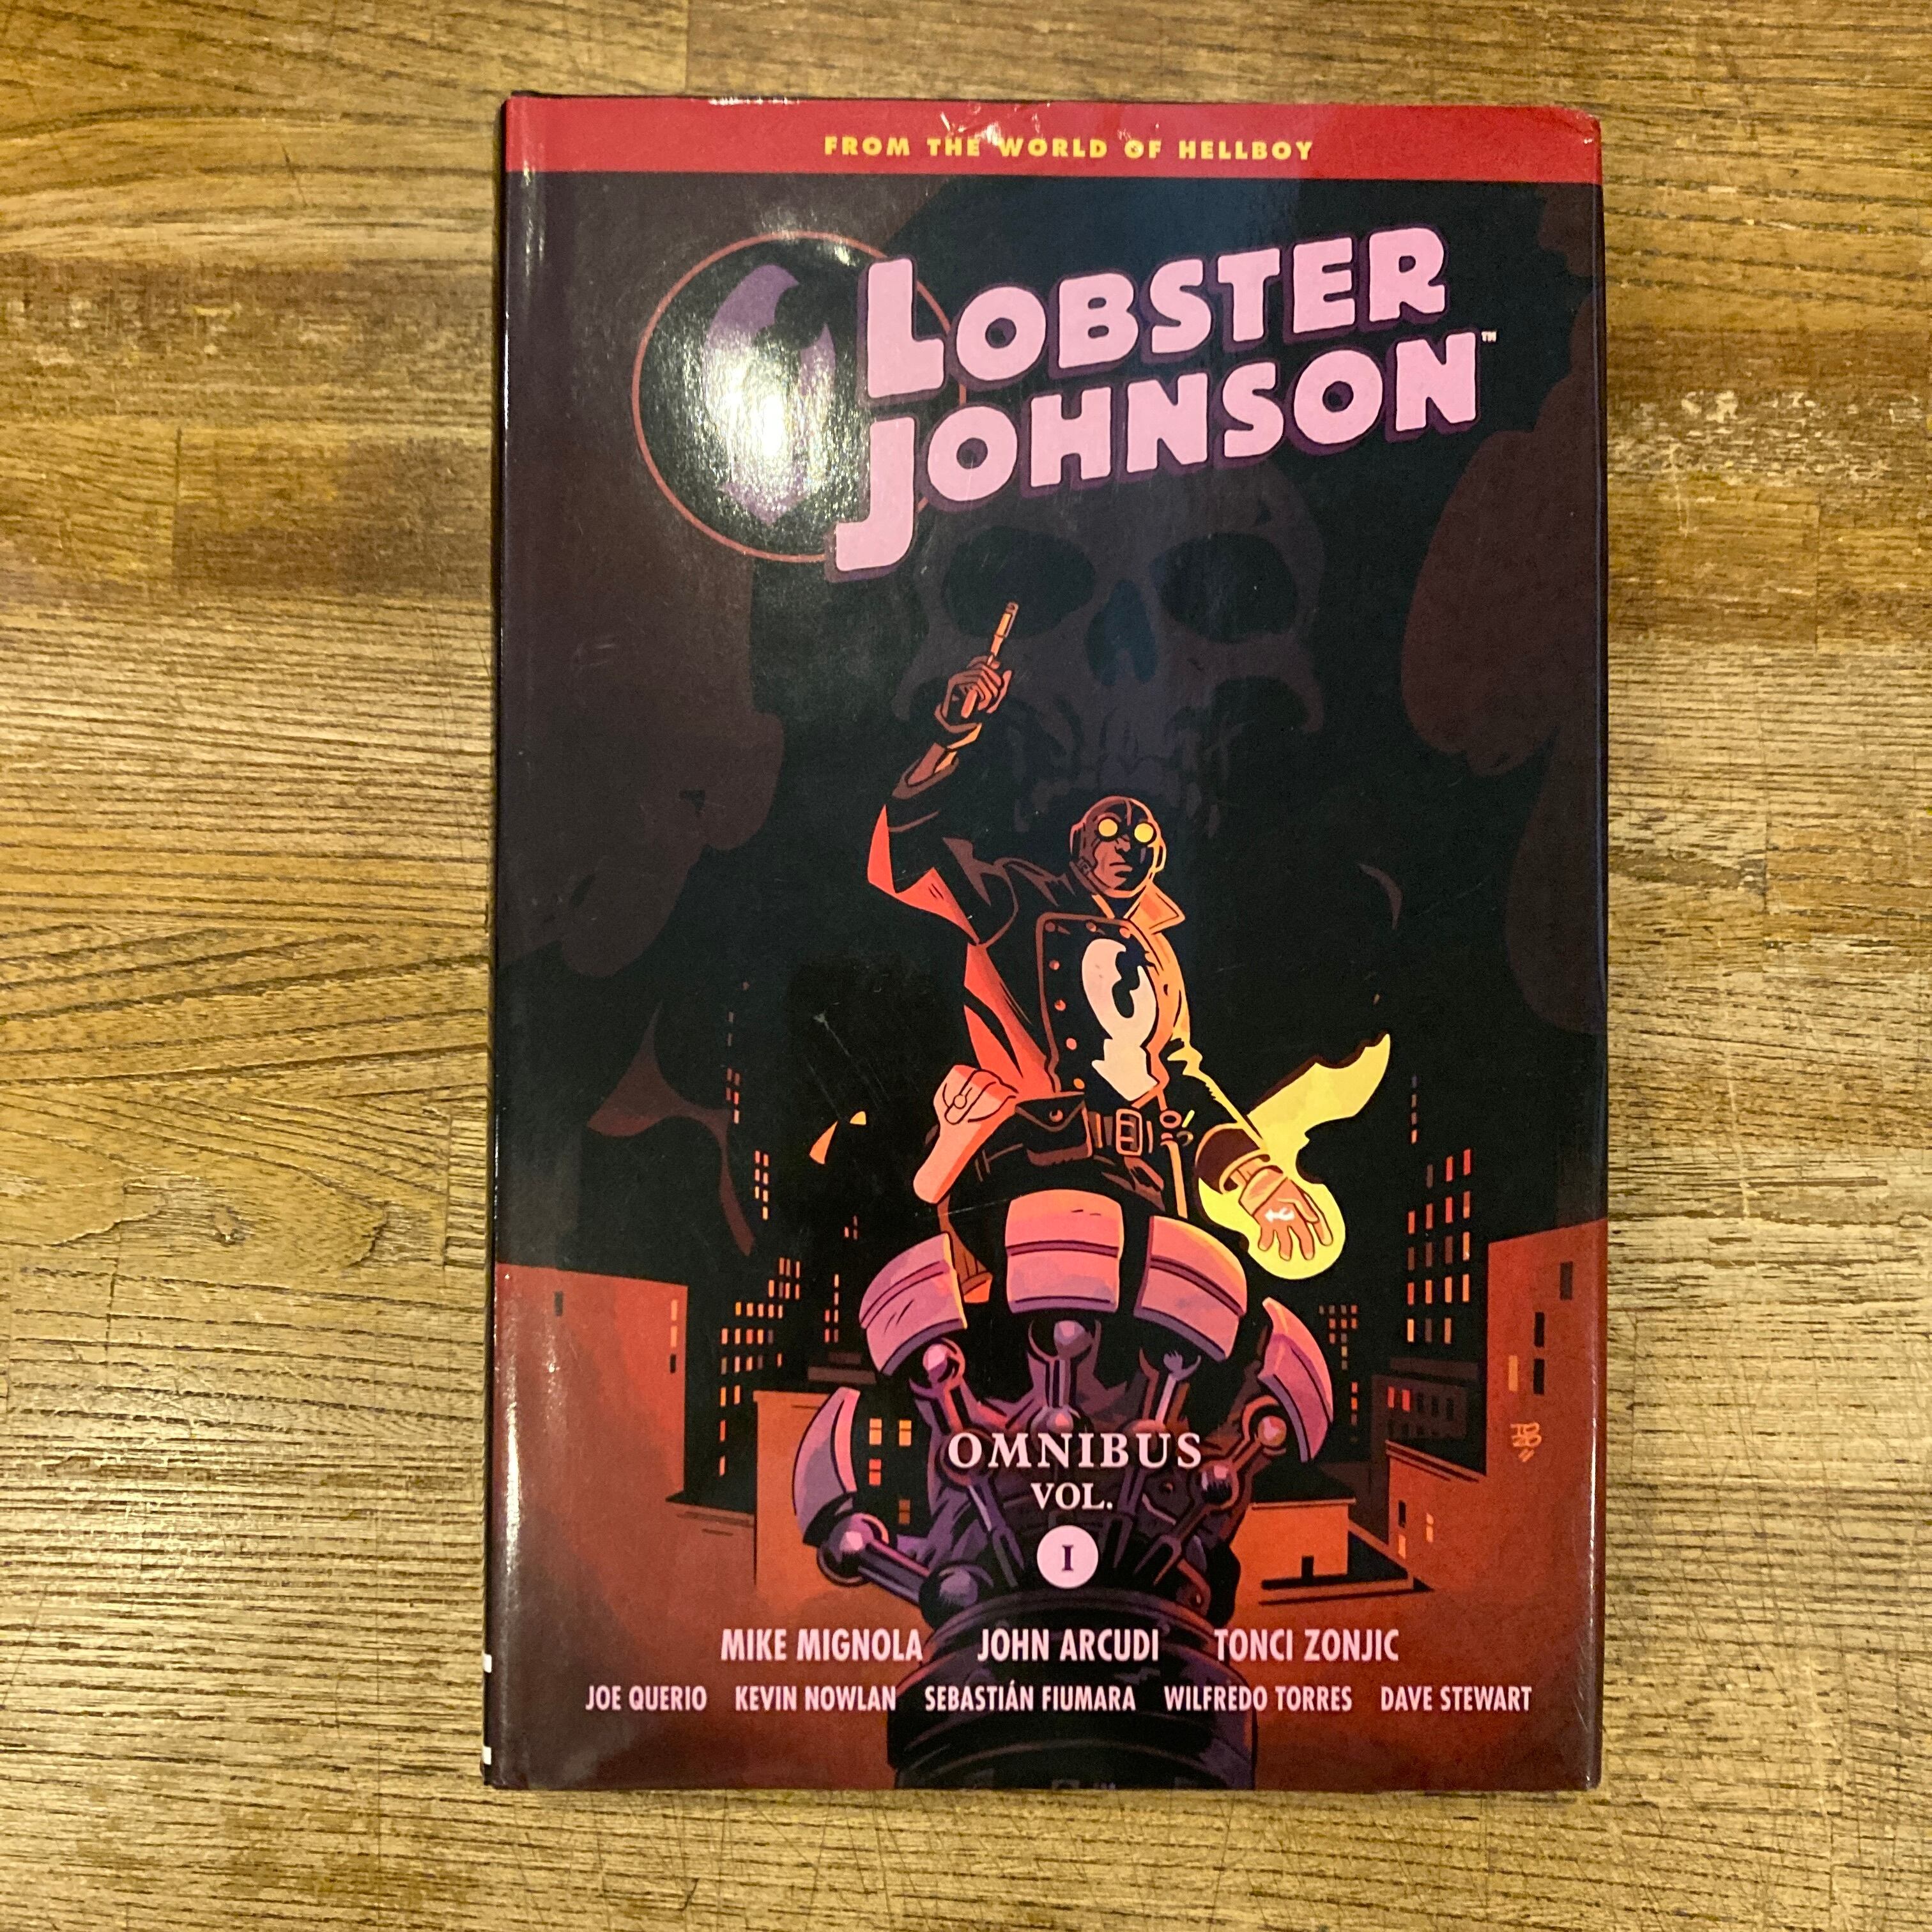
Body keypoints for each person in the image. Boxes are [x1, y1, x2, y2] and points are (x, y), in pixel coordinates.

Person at [869, 647, 1331, 1305]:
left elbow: (1179, 1078)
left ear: (1158, 861)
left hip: (1150, 1187)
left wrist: (1253, 1175)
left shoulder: (1158, 957)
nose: (1125, 845)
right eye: (1110, 828)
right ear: (1079, 842)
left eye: (1143, 840)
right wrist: (949, 739)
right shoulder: (1015, 903)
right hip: (1034, 1172)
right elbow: (907, 860)